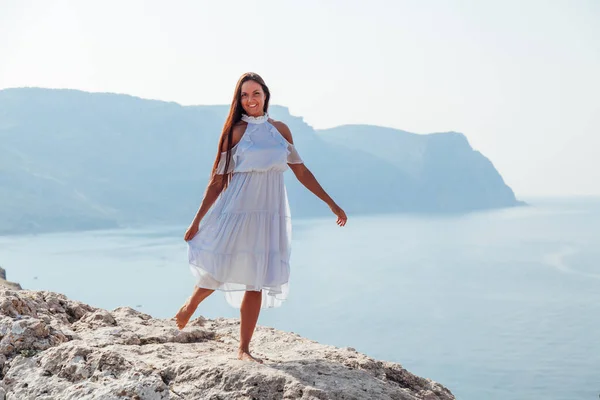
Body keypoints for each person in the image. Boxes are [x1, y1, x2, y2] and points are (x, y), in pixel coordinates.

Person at [174, 72, 347, 363]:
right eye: (244, 95)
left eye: (255, 93)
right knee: (223, 261)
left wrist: (331, 203)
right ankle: (191, 304)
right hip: (237, 209)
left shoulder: (281, 130)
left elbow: (301, 171)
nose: (250, 99)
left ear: (265, 95)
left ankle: (244, 349)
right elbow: (217, 181)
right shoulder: (235, 132)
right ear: (238, 100)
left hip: (270, 213)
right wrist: (196, 221)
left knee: (257, 279)